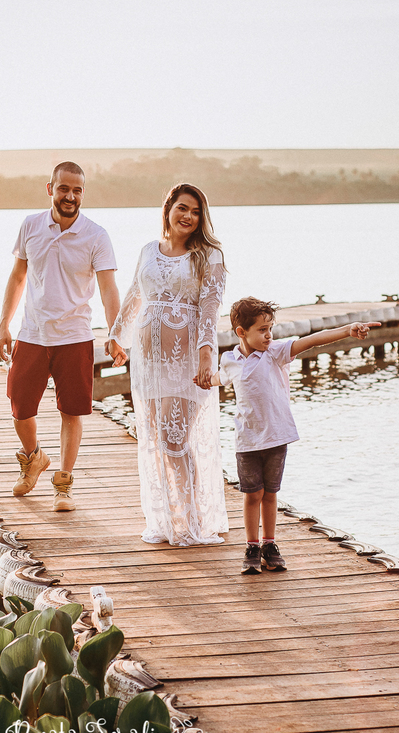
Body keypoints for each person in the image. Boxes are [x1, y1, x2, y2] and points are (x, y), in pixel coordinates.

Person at [213, 297, 381, 574]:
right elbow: (219, 378)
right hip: (247, 441)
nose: (269, 335)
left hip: (277, 438)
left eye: (270, 328)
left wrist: (347, 330)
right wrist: (204, 379)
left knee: (270, 494)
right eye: (262, 330)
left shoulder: (275, 352)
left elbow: (311, 340)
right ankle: (252, 547)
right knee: (252, 495)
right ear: (241, 332)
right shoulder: (230, 360)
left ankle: (269, 545)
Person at [106, 183, 227, 546]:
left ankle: (191, 521)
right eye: (182, 208)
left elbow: (210, 309)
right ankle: (167, 518)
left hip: (185, 362)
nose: (188, 216)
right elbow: (134, 294)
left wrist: (205, 356)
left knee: (176, 440)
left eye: (196, 212)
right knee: (158, 438)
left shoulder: (209, 255)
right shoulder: (148, 250)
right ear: (168, 209)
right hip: (149, 363)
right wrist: (116, 336)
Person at [0, 162, 120, 512]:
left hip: (75, 335)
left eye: (77, 190)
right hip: (32, 333)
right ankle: (34, 457)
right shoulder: (31, 225)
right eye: (64, 188)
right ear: (50, 188)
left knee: (71, 412)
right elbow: (18, 276)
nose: (70, 196)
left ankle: (63, 485)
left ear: (83, 193)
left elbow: (109, 289)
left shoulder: (96, 235)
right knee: (20, 406)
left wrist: (115, 333)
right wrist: (4, 324)